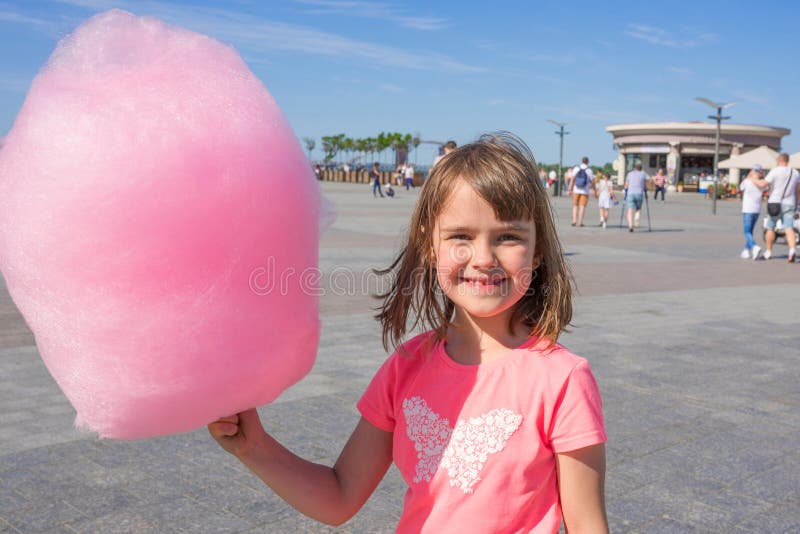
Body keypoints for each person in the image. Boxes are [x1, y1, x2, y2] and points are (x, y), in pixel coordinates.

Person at [209, 133, 609, 533]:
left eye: (508, 237)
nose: (484, 258)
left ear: (537, 250)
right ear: (429, 244)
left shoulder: (562, 379)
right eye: (461, 236)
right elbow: (339, 495)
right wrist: (253, 447)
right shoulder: (405, 368)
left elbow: (587, 523)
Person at [763, 153, 800, 262]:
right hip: (790, 203)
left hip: (775, 202)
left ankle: (768, 252)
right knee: (789, 228)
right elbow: (798, 191)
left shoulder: (775, 171)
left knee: (770, 227)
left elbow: (765, 184)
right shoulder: (795, 173)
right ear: (787, 161)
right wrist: (796, 206)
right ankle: (792, 250)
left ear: (779, 160)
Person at [739, 164, 767, 259]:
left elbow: (741, 188)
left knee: (747, 231)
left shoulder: (747, 181)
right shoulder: (762, 182)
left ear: (752, 171)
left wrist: (749, 176)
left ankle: (754, 246)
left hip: (747, 209)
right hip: (757, 210)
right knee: (750, 231)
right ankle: (746, 251)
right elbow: (765, 187)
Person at [567, 157, 595, 227]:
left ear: (582, 161)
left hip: (576, 189)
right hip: (585, 191)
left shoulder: (576, 168)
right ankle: (580, 222)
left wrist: (570, 189)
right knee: (582, 206)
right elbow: (593, 181)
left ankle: (574, 221)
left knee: (575, 205)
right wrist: (594, 190)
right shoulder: (589, 170)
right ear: (588, 162)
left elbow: (572, 179)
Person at [624, 163, 648, 233]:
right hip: (639, 193)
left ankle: (630, 226)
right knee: (638, 209)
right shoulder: (643, 174)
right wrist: (646, 192)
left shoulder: (629, 174)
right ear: (641, 168)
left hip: (630, 193)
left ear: (634, 168)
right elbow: (645, 186)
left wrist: (625, 191)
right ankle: (636, 218)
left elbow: (626, 185)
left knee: (630, 211)